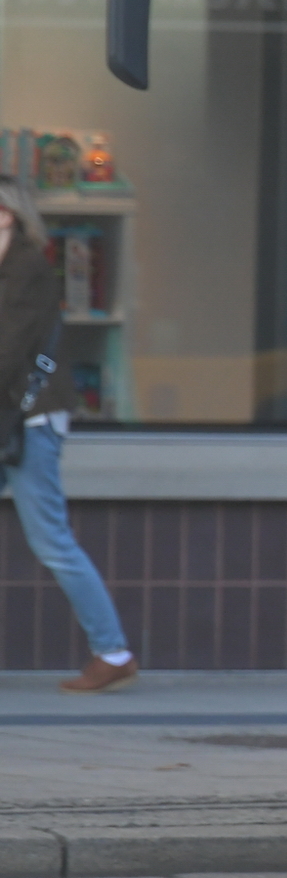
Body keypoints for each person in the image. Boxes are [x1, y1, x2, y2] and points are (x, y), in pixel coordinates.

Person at [0, 176, 135, 692]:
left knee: (52, 542)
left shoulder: (28, 268)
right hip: (13, 416)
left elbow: (10, 350)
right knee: (52, 539)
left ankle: (113, 650)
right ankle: (113, 649)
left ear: (7, 214)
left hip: (30, 418)